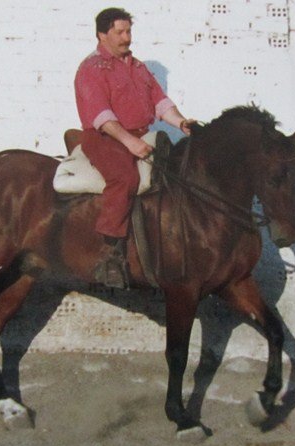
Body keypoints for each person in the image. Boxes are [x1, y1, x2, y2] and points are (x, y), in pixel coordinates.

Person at [75, 7, 193, 288]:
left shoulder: (137, 66)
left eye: (129, 31)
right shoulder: (91, 68)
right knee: (125, 178)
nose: (127, 38)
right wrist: (130, 142)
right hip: (104, 137)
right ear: (102, 34)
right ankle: (110, 255)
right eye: (120, 32)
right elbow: (101, 115)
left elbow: (160, 102)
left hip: (139, 134)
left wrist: (181, 122)